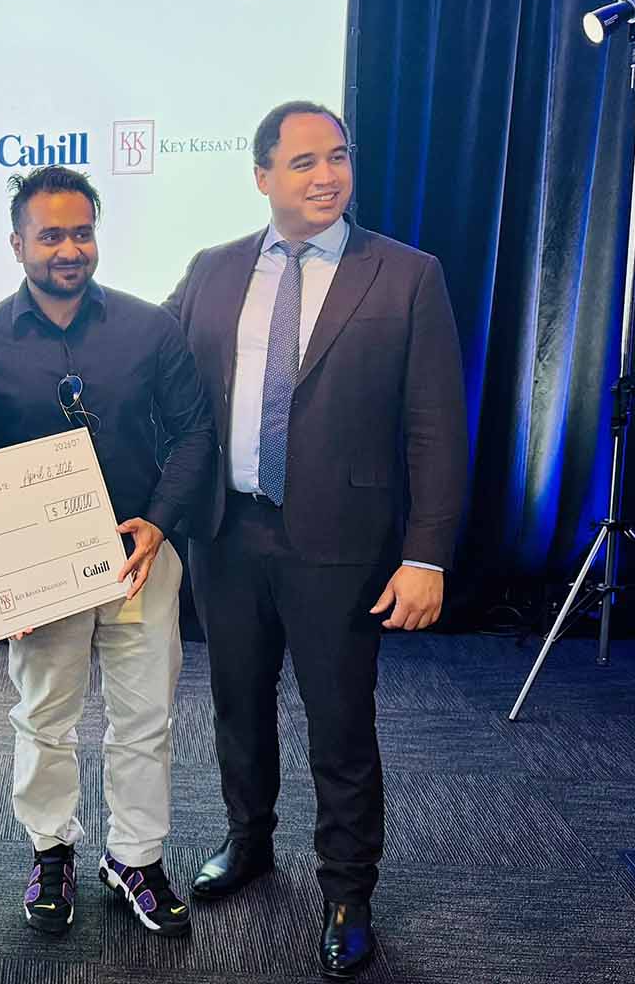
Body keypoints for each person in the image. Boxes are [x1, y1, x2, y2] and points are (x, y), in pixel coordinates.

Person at [163, 101, 467, 980]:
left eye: (337, 157)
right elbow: (151, 360)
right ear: (262, 176)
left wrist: (427, 553)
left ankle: (346, 891)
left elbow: (437, 428)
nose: (326, 175)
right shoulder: (214, 271)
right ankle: (248, 840)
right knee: (237, 704)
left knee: (340, 724)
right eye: (302, 162)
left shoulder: (407, 276)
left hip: (343, 543)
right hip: (227, 533)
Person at [0, 166, 215, 938]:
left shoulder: (148, 327)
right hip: (38, 572)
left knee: (145, 716)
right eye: (52, 234)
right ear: (18, 243)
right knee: (44, 716)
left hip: (139, 556)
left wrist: (160, 523)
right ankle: (51, 850)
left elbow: (195, 431)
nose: (70, 249)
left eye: (82, 232)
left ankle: (136, 856)